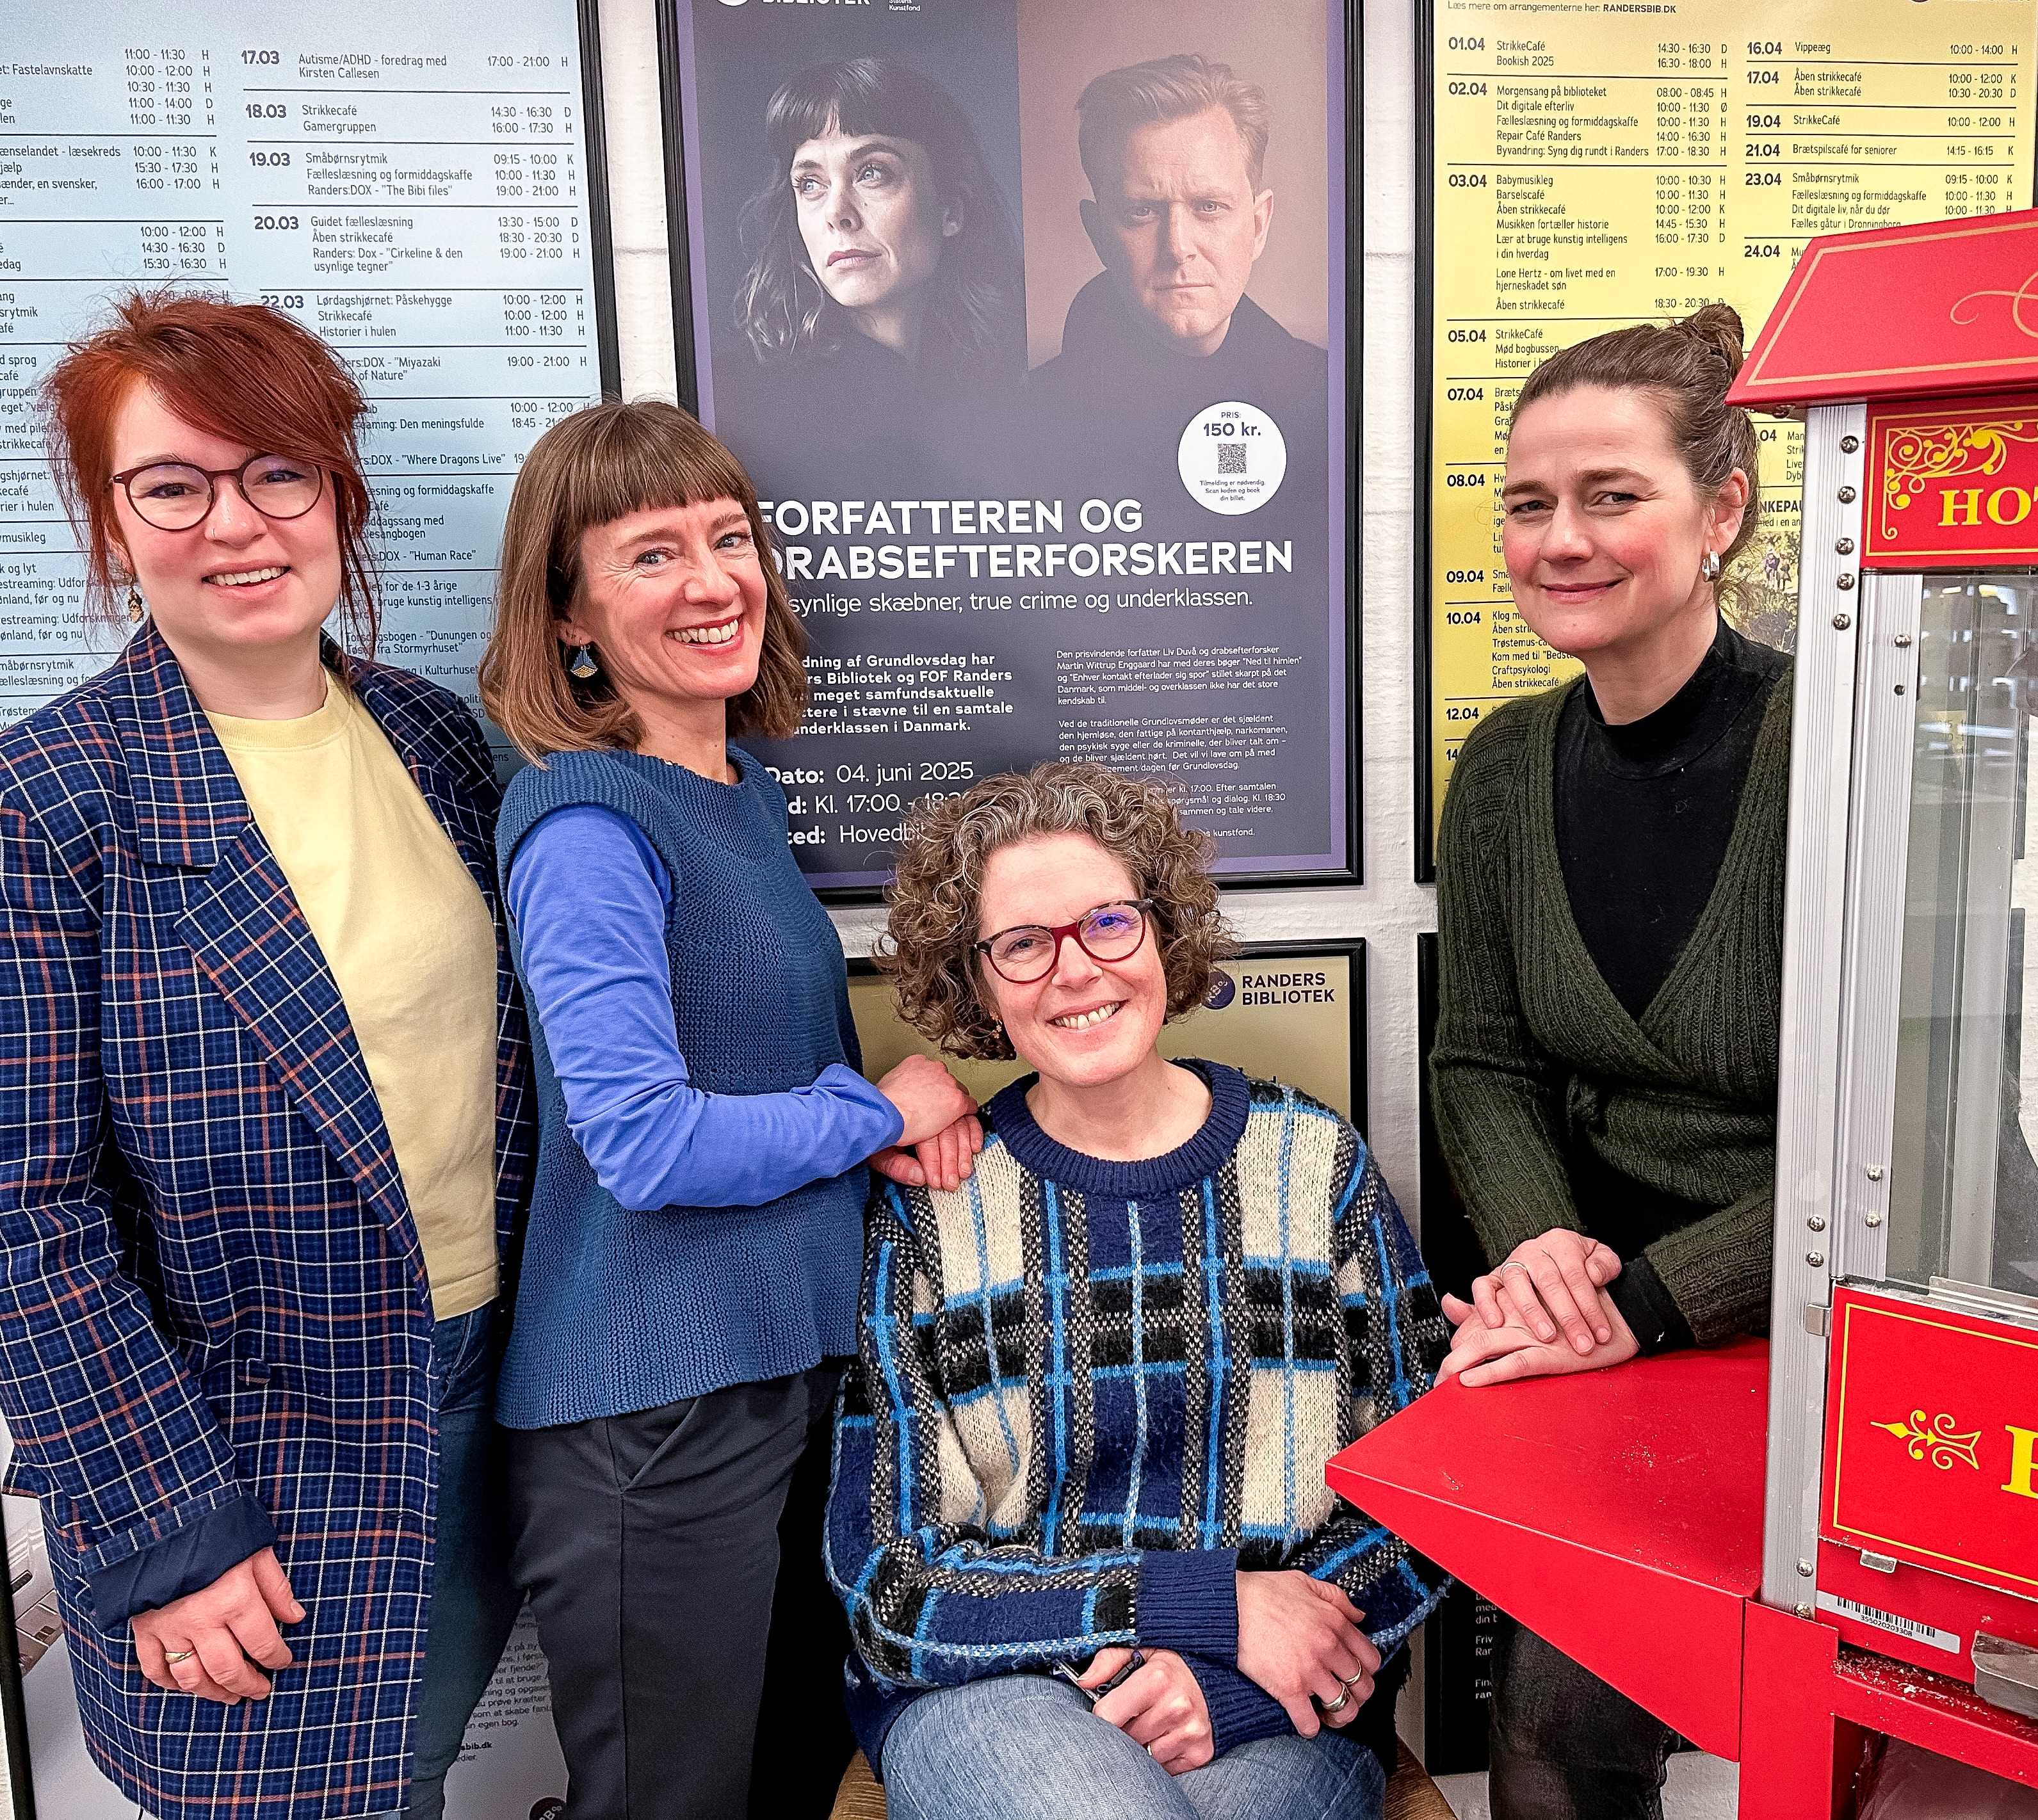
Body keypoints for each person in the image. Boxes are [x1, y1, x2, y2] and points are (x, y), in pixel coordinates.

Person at [1428, 308, 2038, 1817]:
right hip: (1614, 1329)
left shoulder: (1862, 748)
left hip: (1865, 1320)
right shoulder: (1504, 765)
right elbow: (1481, 1060)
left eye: (1610, 495)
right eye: (1528, 503)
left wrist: (1642, 1302)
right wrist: (1545, 1260)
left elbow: (1927, 1135)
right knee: (1552, 1727)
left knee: (1908, 1757)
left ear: (1720, 512)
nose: (1558, 539)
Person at [0, 293, 528, 1819]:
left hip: (489, 1387)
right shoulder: (47, 803)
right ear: (111, 525)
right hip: (241, 1455)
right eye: (172, 484)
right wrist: (160, 1531)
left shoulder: (432, 742)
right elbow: (25, 1213)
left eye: (277, 473)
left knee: (410, 1780)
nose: (234, 522)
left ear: (338, 499)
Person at [474, 398, 982, 1820]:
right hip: (651, 1410)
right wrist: (867, 1107)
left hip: (780, 1378)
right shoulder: (585, 821)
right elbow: (639, 1137)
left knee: (777, 1782)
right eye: (650, 554)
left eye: (728, 535)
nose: (714, 579)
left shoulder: (739, 795)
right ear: (569, 615)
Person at [828, 761, 1450, 1820]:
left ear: (1163, 933)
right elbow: (890, 1585)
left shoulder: (1312, 1159)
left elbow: (1427, 1490)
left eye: (1107, 921)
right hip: (999, 1691)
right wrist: (1201, 1604)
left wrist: (1229, 1675)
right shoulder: (931, 1207)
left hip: (1272, 1695)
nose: (1073, 969)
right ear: (976, 983)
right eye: (1022, 943)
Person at [729, 56, 1025, 433]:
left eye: (872, 173)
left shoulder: (1017, 381)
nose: (837, 214)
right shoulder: (744, 400)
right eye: (810, 184)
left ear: (950, 210)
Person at [1030, 53, 1325, 426]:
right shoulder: (1027, 420)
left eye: (1209, 206)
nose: (1178, 247)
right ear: (1099, 233)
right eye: (1143, 212)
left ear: (1258, 226)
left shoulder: (1327, 400)